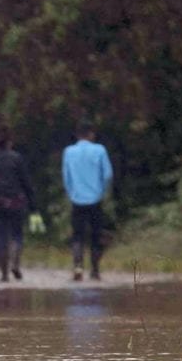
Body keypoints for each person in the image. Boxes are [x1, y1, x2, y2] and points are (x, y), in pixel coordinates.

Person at [0, 125, 37, 282]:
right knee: (17, 235)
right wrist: (33, 204)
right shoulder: (17, 159)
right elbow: (26, 183)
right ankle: (15, 263)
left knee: (1, 237)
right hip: (16, 202)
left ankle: (4, 273)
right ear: (9, 142)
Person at [62, 118, 113, 280]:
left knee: (77, 235)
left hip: (77, 199)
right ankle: (95, 269)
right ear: (91, 134)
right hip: (95, 199)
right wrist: (103, 192)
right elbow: (107, 175)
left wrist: (71, 193)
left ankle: (77, 267)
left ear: (77, 135)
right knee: (96, 235)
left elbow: (66, 176)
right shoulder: (100, 150)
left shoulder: (69, 152)